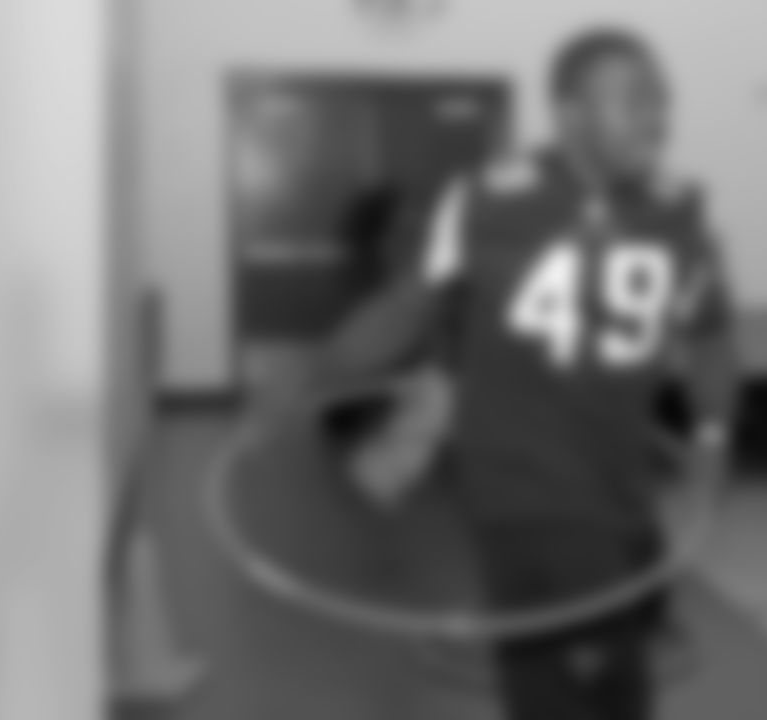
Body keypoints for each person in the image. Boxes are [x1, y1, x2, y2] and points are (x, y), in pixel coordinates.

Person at [276, 26, 739, 720]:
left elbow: (711, 332)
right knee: (604, 689)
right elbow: (405, 306)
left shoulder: (680, 211)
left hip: (621, 486)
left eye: (661, 98)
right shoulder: (489, 200)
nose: (657, 116)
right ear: (570, 113)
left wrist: (710, 436)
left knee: (558, 681)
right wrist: (318, 369)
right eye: (634, 98)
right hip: (526, 489)